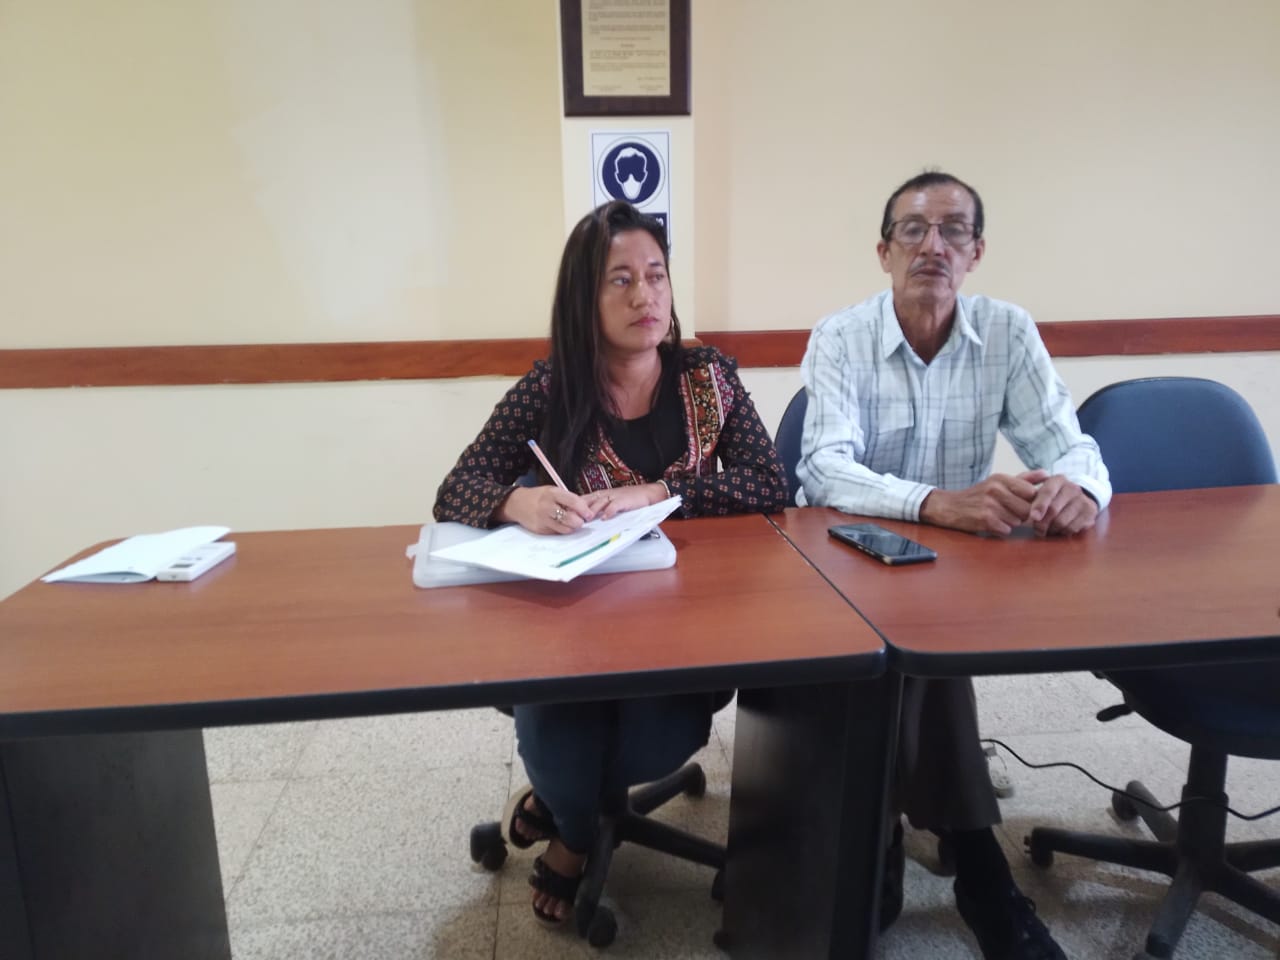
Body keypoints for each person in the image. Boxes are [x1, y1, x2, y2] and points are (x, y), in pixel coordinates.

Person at [433, 200, 788, 925]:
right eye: (619, 280)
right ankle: (574, 827)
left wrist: (661, 492)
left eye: (656, 275)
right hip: (575, 627)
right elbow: (456, 488)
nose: (644, 295)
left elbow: (770, 483)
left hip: (686, 627)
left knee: (653, 739)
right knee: (558, 726)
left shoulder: (708, 378)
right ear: (583, 299)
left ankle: (566, 806)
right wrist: (517, 502)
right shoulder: (550, 389)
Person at [797, 171, 1111, 960]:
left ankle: (882, 837)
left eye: (953, 230)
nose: (933, 246)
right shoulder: (841, 337)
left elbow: (1070, 444)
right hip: (844, 562)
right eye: (913, 229)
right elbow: (824, 470)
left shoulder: (1007, 332)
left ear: (976, 252)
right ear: (884, 251)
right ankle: (979, 870)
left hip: (951, 574)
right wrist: (938, 503)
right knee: (918, 653)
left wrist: (1078, 488)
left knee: (925, 645)